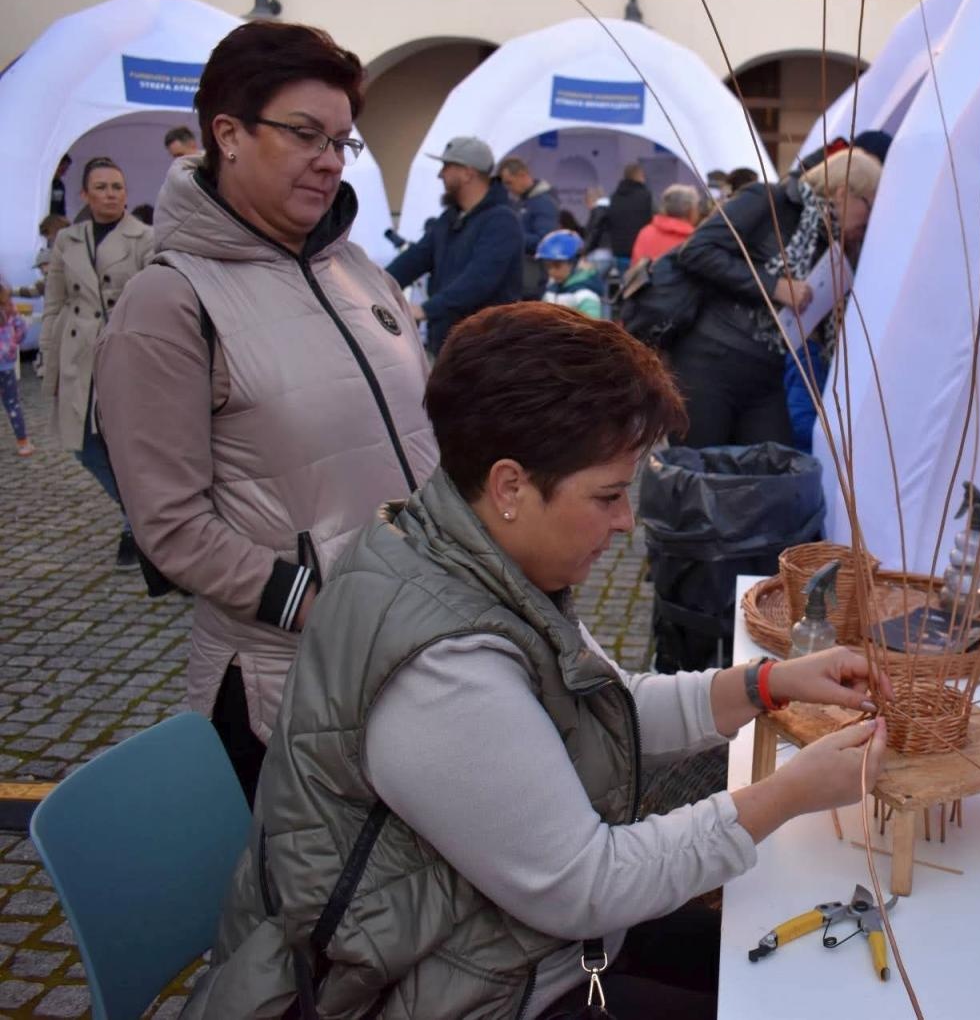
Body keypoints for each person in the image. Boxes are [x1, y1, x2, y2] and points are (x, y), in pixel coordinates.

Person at [181, 302, 889, 1019]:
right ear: (510, 486)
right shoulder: (444, 668)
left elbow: (607, 708)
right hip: (451, 990)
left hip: (505, 937)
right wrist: (788, 795)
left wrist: (766, 683)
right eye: (609, 495)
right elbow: (588, 885)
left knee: (789, 971)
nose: (626, 521)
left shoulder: (468, 551)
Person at [95, 21, 438, 804]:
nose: (329, 159)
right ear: (228, 135)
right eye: (305, 134)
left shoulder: (357, 270)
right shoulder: (169, 302)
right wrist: (320, 606)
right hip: (281, 689)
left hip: (409, 654)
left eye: (341, 142)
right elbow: (170, 526)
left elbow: (419, 439)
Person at [673, 147, 879, 448]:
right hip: (712, 360)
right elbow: (696, 251)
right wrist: (773, 286)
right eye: (870, 205)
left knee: (770, 469)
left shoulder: (834, 243)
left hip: (769, 372)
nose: (870, 218)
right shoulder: (768, 200)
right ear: (843, 192)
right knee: (697, 466)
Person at [39, 155, 155, 564]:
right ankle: (139, 518)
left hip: (126, 354)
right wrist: (48, 361)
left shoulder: (145, 238)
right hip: (78, 356)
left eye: (117, 187)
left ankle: (140, 528)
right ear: (85, 194)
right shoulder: (67, 241)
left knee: (129, 445)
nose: (110, 194)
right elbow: (54, 304)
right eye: (101, 187)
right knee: (84, 446)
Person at [387, 136, 522, 356]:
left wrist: (425, 310)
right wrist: (376, 285)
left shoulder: (502, 221)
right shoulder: (449, 220)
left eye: (447, 166)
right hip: (447, 345)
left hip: (486, 350)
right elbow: (414, 259)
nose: (440, 174)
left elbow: (479, 279)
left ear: (468, 173)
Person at [497, 155, 560, 298]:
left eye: (509, 183)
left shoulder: (543, 203)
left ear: (522, 175)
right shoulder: (522, 202)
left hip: (533, 277)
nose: (508, 188)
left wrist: (512, 238)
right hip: (523, 276)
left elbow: (545, 241)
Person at [535, 229, 604, 319]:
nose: (551, 271)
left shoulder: (586, 296)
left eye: (557, 265)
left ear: (574, 262)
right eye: (548, 266)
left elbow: (591, 325)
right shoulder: (550, 290)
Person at [630, 183, 699, 262]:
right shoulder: (695, 242)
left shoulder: (645, 233)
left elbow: (636, 265)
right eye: (697, 207)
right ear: (690, 211)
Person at [0, 285, 31, 456]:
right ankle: (23, 443)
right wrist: (13, 343)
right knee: (12, 404)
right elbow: (22, 328)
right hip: (6, 365)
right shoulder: (9, 309)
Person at [606, 162, 655, 272]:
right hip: (640, 250)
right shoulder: (645, 196)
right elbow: (652, 220)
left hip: (619, 250)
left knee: (625, 280)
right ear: (638, 176)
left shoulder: (614, 196)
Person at [581, 186, 614, 270]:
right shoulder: (610, 210)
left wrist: (584, 251)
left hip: (598, 254)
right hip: (610, 252)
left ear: (590, 200)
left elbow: (594, 232)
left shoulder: (598, 211)